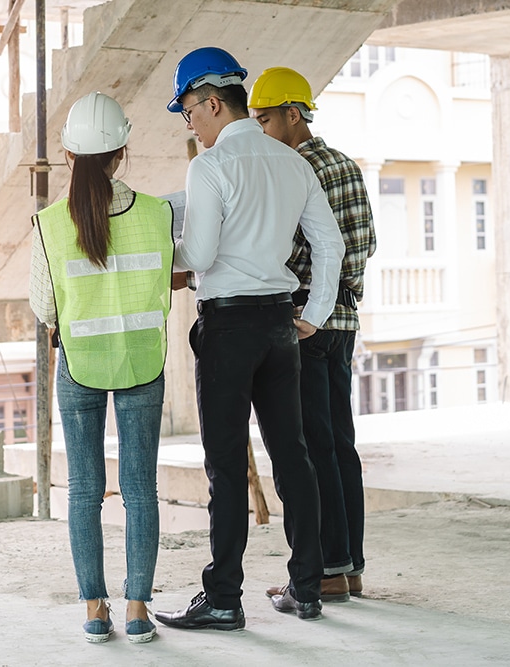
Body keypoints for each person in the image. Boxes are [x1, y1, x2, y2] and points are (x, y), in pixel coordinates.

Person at [152, 47, 345, 630]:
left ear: (212, 102)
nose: (190, 124)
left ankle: (224, 598)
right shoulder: (293, 163)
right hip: (280, 325)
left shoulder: (209, 166)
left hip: (230, 325)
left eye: (189, 111)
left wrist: (163, 253)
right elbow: (330, 245)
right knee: (294, 455)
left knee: (226, 466)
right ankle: (306, 587)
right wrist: (312, 313)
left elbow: (203, 254)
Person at [28, 91, 174, 644]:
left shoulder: (49, 222)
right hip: (142, 361)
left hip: (80, 365)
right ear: (122, 152)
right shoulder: (159, 213)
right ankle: (138, 609)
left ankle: (94, 606)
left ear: (68, 155)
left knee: (85, 491)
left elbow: (45, 307)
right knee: (141, 490)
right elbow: (165, 282)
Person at [248, 66, 377, 601]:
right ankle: (348, 567)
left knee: (307, 449)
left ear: (293, 114)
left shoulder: (293, 168)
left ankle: (323, 570)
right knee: (339, 445)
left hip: (304, 321)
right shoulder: (345, 163)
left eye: (265, 118)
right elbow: (364, 243)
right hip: (342, 321)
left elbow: (296, 249)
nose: (259, 130)